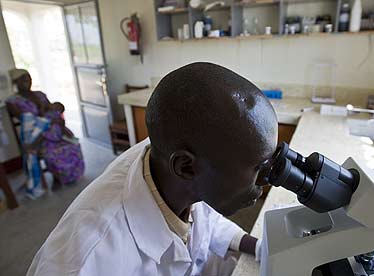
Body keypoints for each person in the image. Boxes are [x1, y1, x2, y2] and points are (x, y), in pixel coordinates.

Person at [26, 62, 278, 276]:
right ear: (186, 167)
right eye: (257, 167)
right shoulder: (86, 259)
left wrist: (260, 248)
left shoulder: (180, 162)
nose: (265, 180)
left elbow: (206, 219)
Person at [6, 69, 84, 190]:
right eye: (24, 80)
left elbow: (52, 109)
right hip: (36, 135)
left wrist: (58, 121)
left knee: (73, 144)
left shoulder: (40, 94)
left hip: (54, 129)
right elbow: (25, 120)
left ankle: (70, 175)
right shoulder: (12, 101)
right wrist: (47, 120)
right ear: (16, 82)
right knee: (54, 152)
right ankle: (58, 177)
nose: (28, 82)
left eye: (29, 79)